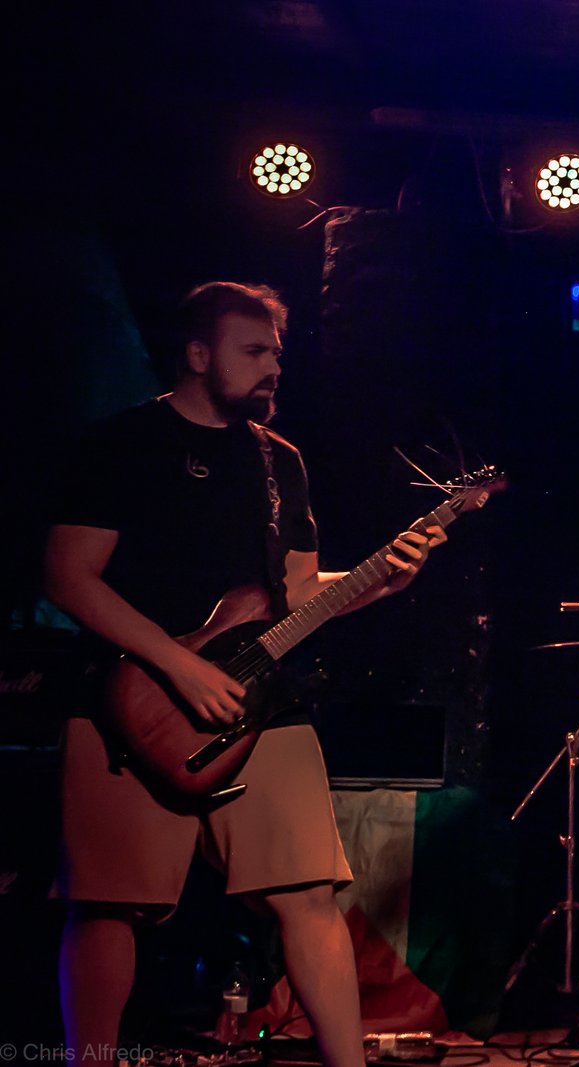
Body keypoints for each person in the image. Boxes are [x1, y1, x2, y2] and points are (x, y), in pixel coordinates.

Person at [44, 282, 446, 1067]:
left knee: (309, 892)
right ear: (198, 354)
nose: (273, 367)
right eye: (253, 351)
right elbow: (68, 576)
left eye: (277, 354)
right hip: (130, 698)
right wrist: (178, 666)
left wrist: (382, 580)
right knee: (108, 904)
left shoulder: (277, 460)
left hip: (260, 702)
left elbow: (296, 595)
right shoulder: (121, 444)